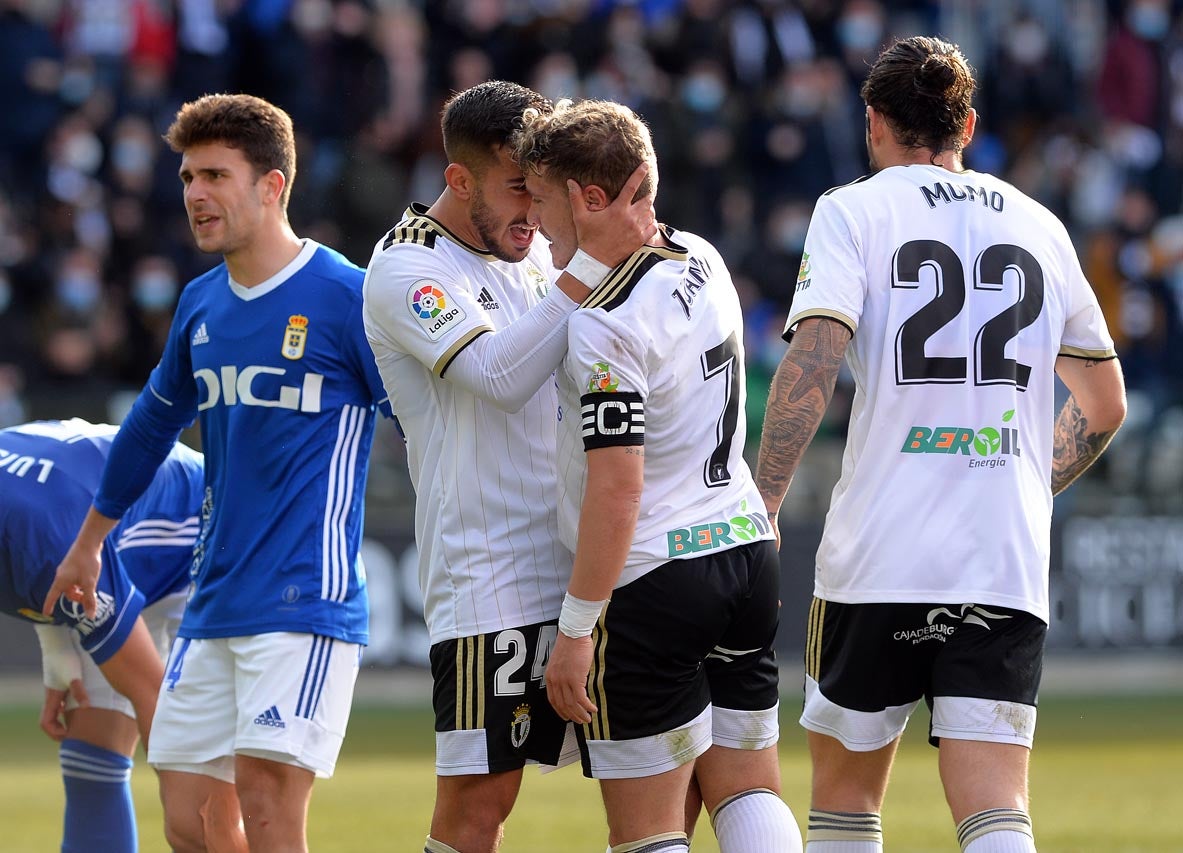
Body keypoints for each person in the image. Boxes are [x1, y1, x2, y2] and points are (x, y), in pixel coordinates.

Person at [753, 36, 1127, 853]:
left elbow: (814, 356)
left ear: (873, 122)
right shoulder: (1041, 225)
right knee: (995, 810)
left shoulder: (852, 208)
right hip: (1001, 556)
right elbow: (1102, 404)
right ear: (969, 124)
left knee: (846, 803)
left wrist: (765, 501)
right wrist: (1027, 480)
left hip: (877, 555)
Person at [45, 93, 393, 853]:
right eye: (186, 177)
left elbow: (425, 421)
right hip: (214, 600)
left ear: (272, 186)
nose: (195, 194)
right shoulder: (201, 303)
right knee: (194, 823)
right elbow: (148, 427)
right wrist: (90, 541)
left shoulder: (348, 297)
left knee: (267, 804)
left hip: (306, 596)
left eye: (214, 176)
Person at [361, 80, 656, 853]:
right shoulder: (405, 269)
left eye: (544, 186)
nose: (535, 208)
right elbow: (497, 376)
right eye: (517, 188)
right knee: (478, 809)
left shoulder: (529, 259)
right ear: (458, 180)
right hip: (487, 573)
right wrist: (589, 265)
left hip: (576, 561)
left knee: (654, 774)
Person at [513, 98, 802, 853]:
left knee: (645, 833)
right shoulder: (701, 256)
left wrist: (576, 631)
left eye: (542, 199)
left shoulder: (603, 323)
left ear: (588, 197)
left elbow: (618, 486)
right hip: (742, 552)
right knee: (747, 788)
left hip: (654, 581)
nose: (538, 222)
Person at [0, 418, 225, 852]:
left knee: (199, 800)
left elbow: (150, 694)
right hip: (109, 538)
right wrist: (57, 651)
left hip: (199, 535)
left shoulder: (42, 538)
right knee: (92, 753)